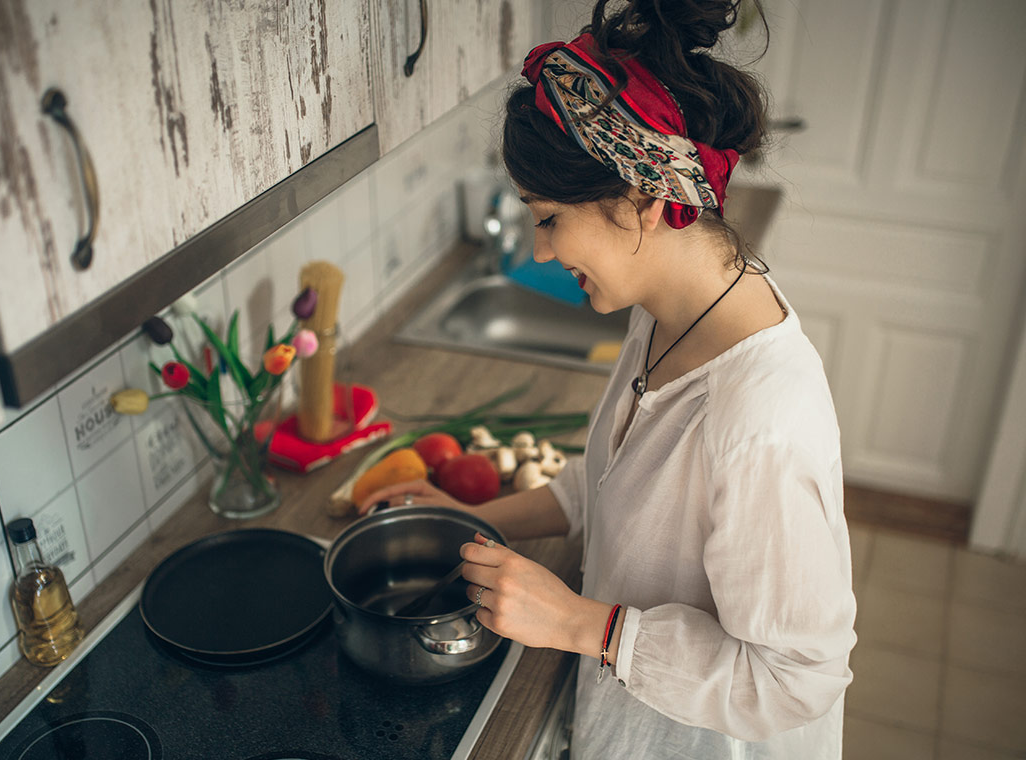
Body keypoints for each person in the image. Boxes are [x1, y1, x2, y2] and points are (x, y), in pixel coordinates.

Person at [360, 0, 856, 757]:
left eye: (550, 216)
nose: (539, 248)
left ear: (645, 201)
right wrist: (475, 515)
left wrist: (573, 621)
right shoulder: (666, 309)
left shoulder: (760, 420)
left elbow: (795, 678)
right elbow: (615, 483)